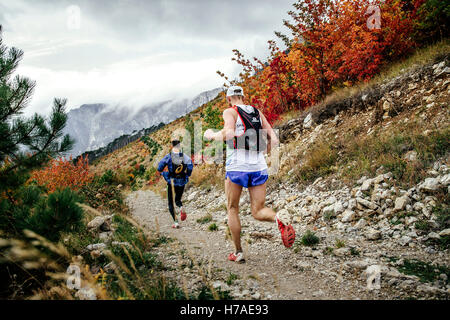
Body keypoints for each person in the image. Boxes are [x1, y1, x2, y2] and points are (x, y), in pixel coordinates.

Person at [204, 86, 295, 263]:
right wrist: (265, 152)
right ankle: (278, 218)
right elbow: (274, 140)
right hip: (258, 165)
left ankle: (238, 252)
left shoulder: (230, 112)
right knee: (258, 210)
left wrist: (212, 135)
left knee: (232, 208)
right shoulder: (257, 112)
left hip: (237, 165)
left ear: (228, 98)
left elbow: (229, 133)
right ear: (243, 97)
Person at [157, 139, 193, 229]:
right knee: (177, 200)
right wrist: (187, 174)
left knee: (170, 203)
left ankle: (176, 222)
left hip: (171, 181)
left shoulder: (168, 156)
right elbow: (190, 167)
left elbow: (159, 167)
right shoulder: (185, 156)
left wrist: (162, 172)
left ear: (172, 146)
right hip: (182, 181)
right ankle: (181, 207)